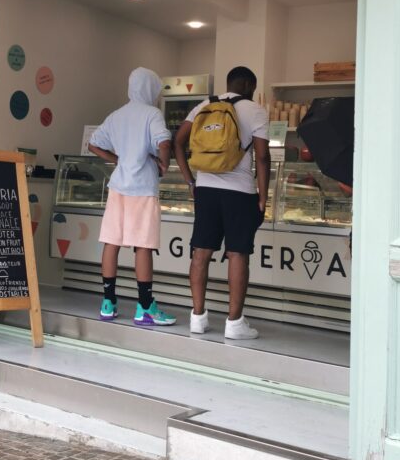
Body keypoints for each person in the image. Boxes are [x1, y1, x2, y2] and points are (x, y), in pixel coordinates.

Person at [174, 66, 270, 340]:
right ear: (249, 85)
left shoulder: (204, 105)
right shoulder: (255, 110)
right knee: (238, 253)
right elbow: (262, 158)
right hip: (240, 192)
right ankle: (234, 323)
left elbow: (178, 142)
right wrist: (263, 196)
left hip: (205, 188)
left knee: (200, 252)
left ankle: (197, 318)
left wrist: (190, 181)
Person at [88, 68, 176, 327]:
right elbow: (164, 142)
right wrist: (163, 163)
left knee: (111, 243)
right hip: (142, 187)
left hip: (118, 187)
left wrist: (118, 160)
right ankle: (145, 306)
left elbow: (93, 143)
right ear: (149, 89)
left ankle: (108, 302)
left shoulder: (117, 115)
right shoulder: (152, 114)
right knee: (143, 246)